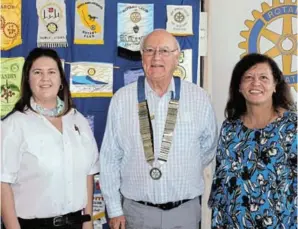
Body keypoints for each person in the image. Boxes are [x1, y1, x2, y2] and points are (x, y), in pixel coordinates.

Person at [100, 29, 218, 229]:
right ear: (142, 56)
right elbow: (110, 157)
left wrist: (180, 166)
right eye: (150, 50)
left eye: (164, 50)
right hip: (137, 214)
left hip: (185, 213)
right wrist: (114, 209)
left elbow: (208, 147)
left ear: (177, 57)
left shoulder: (199, 98)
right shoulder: (122, 99)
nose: (156, 57)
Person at [1, 48, 99, 229]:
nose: (45, 78)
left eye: (52, 72)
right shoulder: (13, 125)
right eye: (37, 72)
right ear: (28, 80)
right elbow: (3, 184)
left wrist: (88, 222)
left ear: (61, 80)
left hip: (77, 224)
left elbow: (88, 174)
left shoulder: (79, 121)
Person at [208, 53, 297, 229]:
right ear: (239, 87)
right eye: (248, 77)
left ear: (275, 85)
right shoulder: (230, 128)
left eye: (264, 77)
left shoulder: (292, 127)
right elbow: (221, 184)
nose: (256, 83)